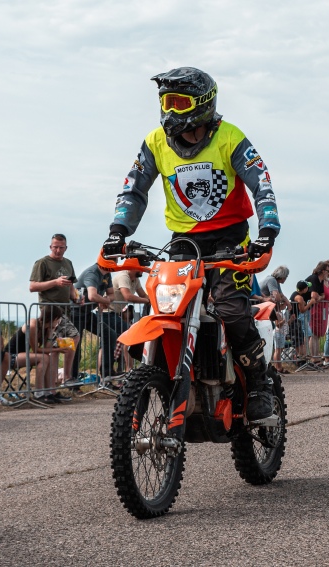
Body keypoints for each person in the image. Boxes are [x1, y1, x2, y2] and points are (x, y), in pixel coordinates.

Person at [101, 67, 280, 421]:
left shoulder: (230, 137)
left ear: (203, 103)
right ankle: (161, 379)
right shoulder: (155, 142)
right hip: (183, 242)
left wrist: (267, 230)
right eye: (166, 101)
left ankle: (259, 385)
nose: (170, 110)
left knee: (231, 310)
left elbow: (262, 184)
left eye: (179, 102)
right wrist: (117, 231)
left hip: (231, 238)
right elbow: (133, 190)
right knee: (166, 308)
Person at [29, 234, 80, 384]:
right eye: (55, 247)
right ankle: (64, 378)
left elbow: (71, 285)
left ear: (66, 248)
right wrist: (55, 282)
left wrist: (76, 297)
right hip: (50, 309)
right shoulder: (42, 263)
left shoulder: (68, 263)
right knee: (70, 337)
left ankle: (58, 379)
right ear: (50, 247)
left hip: (65, 310)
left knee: (58, 343)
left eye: (61, 247)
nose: (58, 250)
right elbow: (33, 286)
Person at [74, 262, 123, 381]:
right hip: (74, 312)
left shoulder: (107, 274)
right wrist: (104, 300)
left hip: (87, 312)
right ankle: (72, 379)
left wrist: (105, 299)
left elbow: (112, 295)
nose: (116, 263)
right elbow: (92, 296)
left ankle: (107, 373)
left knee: (110, 334)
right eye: (114, 260)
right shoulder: (93, 273)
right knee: (76, 345)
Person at [111, 269, 150, 373]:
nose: (143, 271)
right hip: (109, 312)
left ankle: (122, 369)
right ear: (134, 268)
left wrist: (152, 301)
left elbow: (143, 294)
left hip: (116, 312)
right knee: (130, 335)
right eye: (141, 268)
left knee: (113, 340)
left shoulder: (135, 279)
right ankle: (128, 369)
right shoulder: (124, 277)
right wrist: (147, 301)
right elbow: (128, 296)